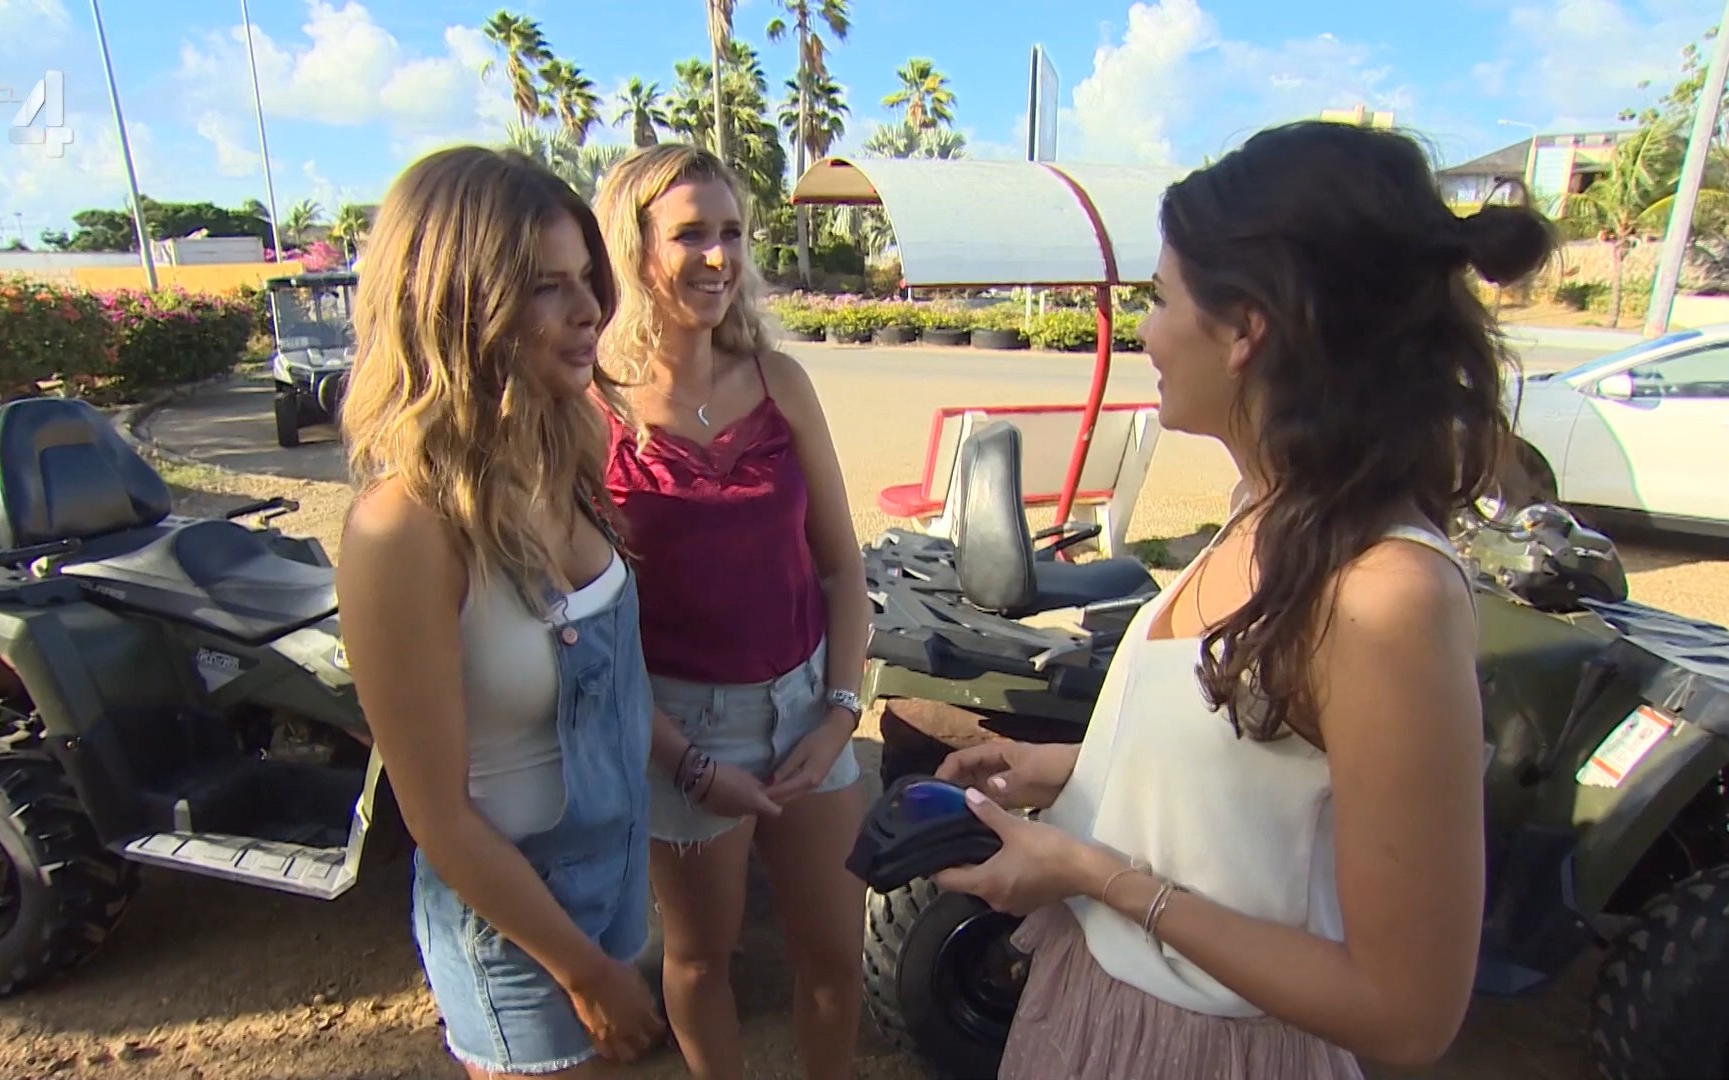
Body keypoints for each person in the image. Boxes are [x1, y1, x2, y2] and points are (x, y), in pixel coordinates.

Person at [932, 119, 1558, 1078]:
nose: (1146, 330)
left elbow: (1405, 1013)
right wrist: (1073, 771)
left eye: (1160, 297)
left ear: (1245, 330)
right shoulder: (1265, 510)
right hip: (1096, 1015)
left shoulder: (1388, 595)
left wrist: (1097, 873)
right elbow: (1261, 785)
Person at [334, 145, 665, 1079]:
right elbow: (439, 818)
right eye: (547, 287)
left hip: (614, 882)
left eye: (586, 279)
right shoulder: (403, 529)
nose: (590, 309)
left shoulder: (569, 449)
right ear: (453, 306)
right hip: (516, 933)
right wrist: (584, 971)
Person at [590, 143, 870, 1080]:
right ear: (632, 247)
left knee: (834, 954)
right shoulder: (591, 410)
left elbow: (842, 570)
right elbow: (590, 630)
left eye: (733, 232)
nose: (719, 257)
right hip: (676, 724)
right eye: (690, 235)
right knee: (702, 959)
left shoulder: (780, 382)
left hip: (807, 708)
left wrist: (840, 715)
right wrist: (684, 760)